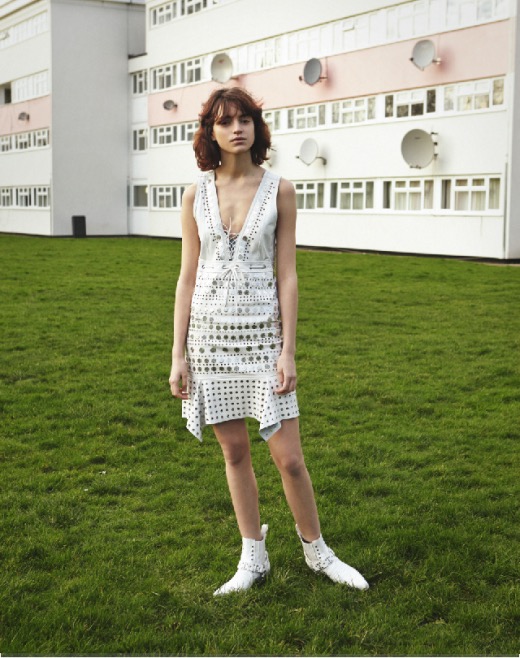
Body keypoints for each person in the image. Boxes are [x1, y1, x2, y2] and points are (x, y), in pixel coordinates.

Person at [169, 87, 369, 596]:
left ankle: (317, 552)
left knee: (290, 458)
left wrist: (288, 351)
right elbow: (187, 277)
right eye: (225, 121)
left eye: (245, 119)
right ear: (211, 132)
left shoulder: (280, 188)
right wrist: (178, 355)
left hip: (263, 338)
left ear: (257, 127)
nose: (236, 128)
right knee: (235, 453)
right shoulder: (195, 194)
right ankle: (253, 557)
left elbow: (288, 275)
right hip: (209, 340)